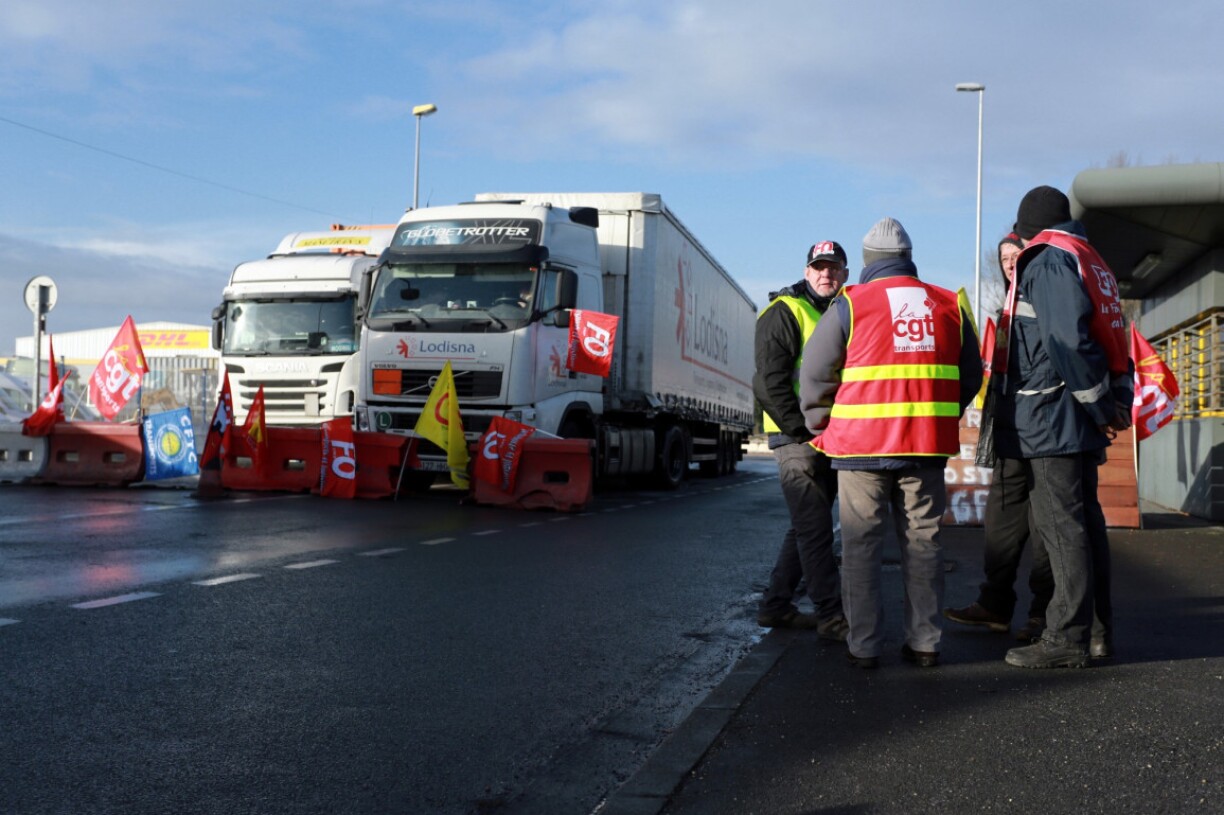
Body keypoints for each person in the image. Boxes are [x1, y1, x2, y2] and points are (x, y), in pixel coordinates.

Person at [800, 219, 982, 668]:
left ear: (867, 263)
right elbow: (972, 375)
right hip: (924, 449)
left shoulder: (850, 304)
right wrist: (939, 416)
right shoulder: (948, 304)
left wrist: (821, 425)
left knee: (860, 547)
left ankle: (863, 647)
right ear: (908, 258)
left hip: (859, 449)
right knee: (924, 542)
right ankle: (925, 643)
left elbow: (816, 374)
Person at [993, 186, 1131, 669]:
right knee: (1086, 527)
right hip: (1073, 417)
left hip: (1052, 416)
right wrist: (1113, 402)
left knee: (1062, 528)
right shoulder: (1088, 258)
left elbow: (1066, 340)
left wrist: (1096, 404)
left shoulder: (1049, 259)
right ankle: (1096, 633)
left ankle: (1065, 638)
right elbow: (1116, 336)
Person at [943, 233, 1053, 642]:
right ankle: (995, 605)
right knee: (1001, 524)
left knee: (1044, 529)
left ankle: (1043, 614)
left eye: (1015, 256)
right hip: (1008, 431)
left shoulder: (1045, 294)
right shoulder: (1005, 304)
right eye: (1004, 257)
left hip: (1043, 432)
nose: (1009, 263)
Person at [753, 240, 850, 641]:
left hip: (829, 438)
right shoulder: (785, 311)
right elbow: (768, 382)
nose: (825, 274)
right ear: (807, 272)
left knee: (805, 527)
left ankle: (775, 606)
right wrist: (800, 432)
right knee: (814, 529)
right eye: (818, 267)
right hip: (797, 438)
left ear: (844, 273)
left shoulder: (845, 310)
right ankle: (831, 616)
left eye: (833, 267)